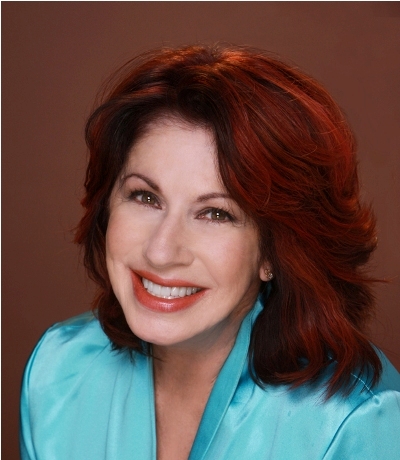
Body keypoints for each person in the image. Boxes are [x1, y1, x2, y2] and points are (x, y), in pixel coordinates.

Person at [20, 45, 400, 460]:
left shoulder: (358, 422)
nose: (161, 252)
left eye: (216, 213)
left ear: (274, 251)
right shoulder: (57, 374)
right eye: (145, 197)